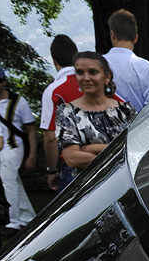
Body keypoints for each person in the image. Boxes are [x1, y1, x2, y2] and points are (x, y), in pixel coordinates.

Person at [56, 52, 136, 180]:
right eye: (80, 72)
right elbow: (71, 158)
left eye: (92, 72)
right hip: (87, 187)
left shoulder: (125, 110)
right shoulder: (67, 112)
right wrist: (114, 159)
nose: (86, 78)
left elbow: (134, 149)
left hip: (123, 182)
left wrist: (91, 149)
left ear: (107, 77)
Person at [0, 67, 38, 233]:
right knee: (14, 182)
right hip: (1, 148)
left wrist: (32, 155)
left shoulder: (17, 101)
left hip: (13, 146)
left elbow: (31, 130)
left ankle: (13, 221)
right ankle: (28, 218)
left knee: (8, 182)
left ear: (4, 82)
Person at [40, 34, 80, 192]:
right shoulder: (96, 82)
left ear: (54, 60)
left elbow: (50, 137)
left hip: (72, 164)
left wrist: (52, 170)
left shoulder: (53, 91)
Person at [103, 9, 149, 111]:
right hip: (138, 125)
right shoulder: (146, 67)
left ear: (112, 35)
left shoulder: (97, 65)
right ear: (136, 38)